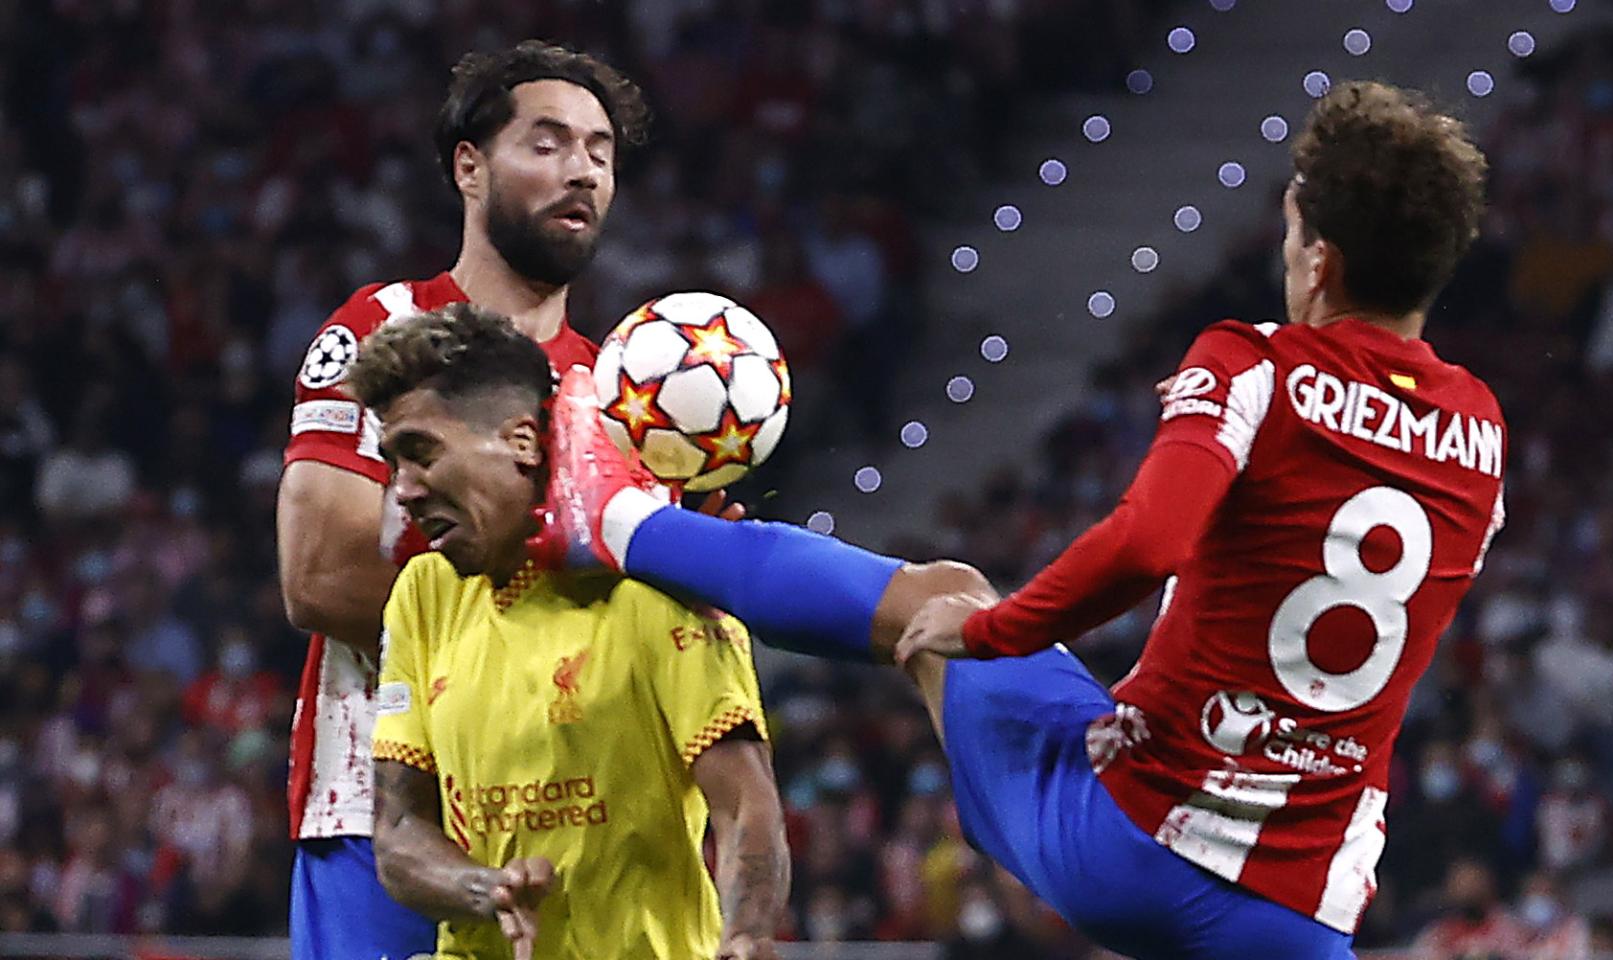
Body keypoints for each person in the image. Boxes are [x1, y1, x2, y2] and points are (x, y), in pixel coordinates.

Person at [534, 80, 1504, 958]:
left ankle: (615, 521)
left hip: (1141, 851)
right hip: (1303, 915)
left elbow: (1146, 542)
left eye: (1290, 233)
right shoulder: (1482, 432)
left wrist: (998, 632)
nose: (1284, 254)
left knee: (941, 601)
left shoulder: (1255, 363)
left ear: (1320, 260)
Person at [275, 40, 656, 960]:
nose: (582, 172)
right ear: (470, 168)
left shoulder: (619, 393)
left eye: (601, 153)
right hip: (372, 808)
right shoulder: (378, 328)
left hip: (563, 826)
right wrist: (529, 634)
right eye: (549, 143)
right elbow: (319, 577)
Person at [350, 304, 788, 959]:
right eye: (394, 464)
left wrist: (745, 937)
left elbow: (745, 806)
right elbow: (401, 830)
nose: (404, 492)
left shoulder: (655, 583)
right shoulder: (422, 595)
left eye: (421, 454)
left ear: (522, 442)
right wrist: (488, 889)